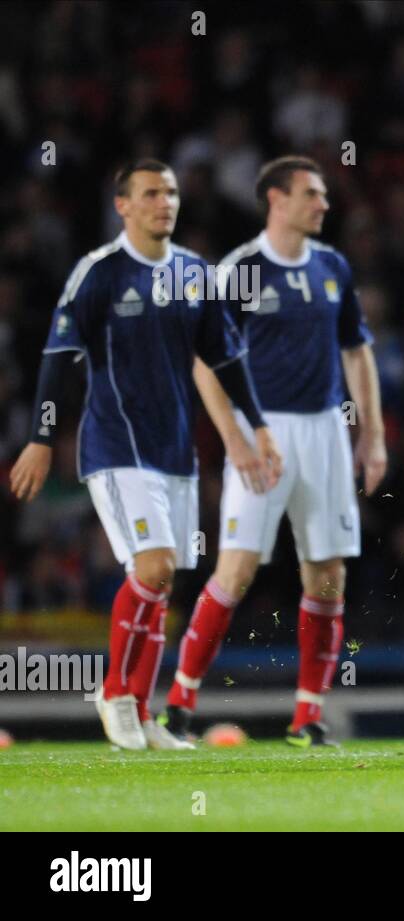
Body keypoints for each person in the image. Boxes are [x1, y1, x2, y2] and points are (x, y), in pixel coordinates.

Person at [8, 158, 279, 751]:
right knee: (153, 568)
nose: (165, 202)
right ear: (123, 206)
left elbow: (225, 358)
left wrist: (257, 425)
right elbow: (58, 356)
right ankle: (114, 692)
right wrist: (40, 438)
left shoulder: (195, 274)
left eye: (171, 192)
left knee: (163, 584)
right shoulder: (99, 273)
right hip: (115, 445)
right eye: (151, 193)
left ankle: (141, 709)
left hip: (175, 451)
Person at [159, 156, 385, 748]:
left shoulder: (333, 266)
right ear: (277, 200)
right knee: (236, 570)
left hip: (325, 432)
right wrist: (234, 438)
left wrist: (372, 434)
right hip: (263, 433)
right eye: (312, 194)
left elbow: (357, 351)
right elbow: (205, 361)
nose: (324, 204)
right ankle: (179, 703)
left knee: (328, 574)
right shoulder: (242, 269)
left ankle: (307, 716)